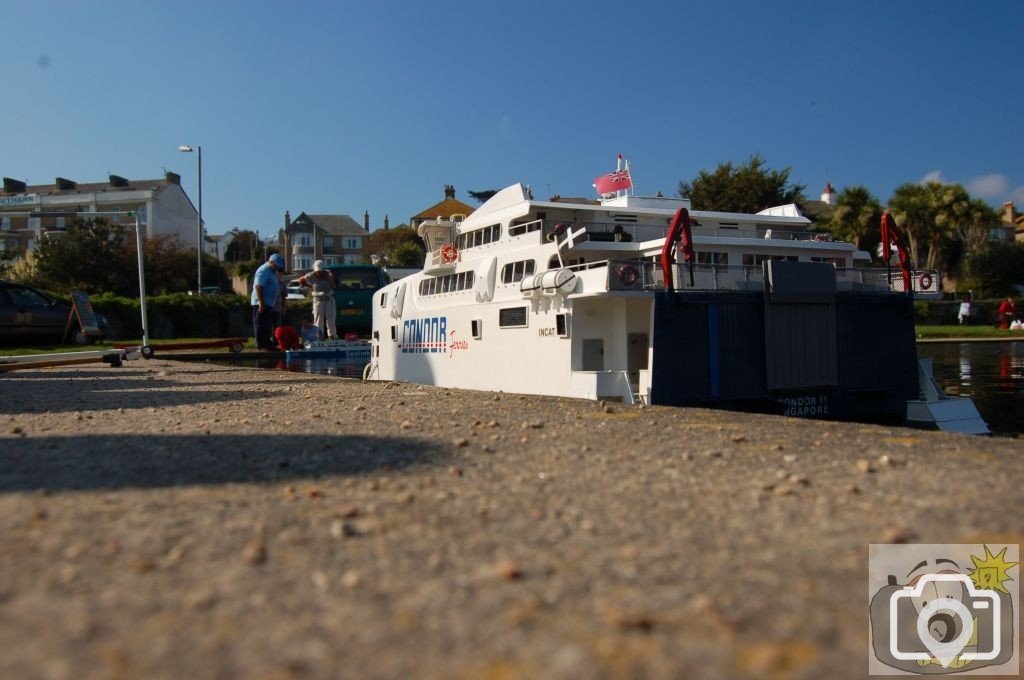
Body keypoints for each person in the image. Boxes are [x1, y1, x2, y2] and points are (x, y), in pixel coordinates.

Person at [294, 260, 337, 340]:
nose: (319, 273)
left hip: (328, 299)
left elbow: (333, 286)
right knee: (318, 320)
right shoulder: (310, 275)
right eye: (317, 271)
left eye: (320, 271)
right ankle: (319, 336)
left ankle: (332, 336)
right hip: (318, 299)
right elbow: (300, 280)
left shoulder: (328, 274)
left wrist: (329, 279)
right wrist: (310, 286)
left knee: (330, 319)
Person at [251, 253, 285, 350]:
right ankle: (261, 344)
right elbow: (259, 287)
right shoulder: (264, 270)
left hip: (269, 303)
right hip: (262, 303)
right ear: (271, 262)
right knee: (261, 324)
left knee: (267, 324)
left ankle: (266, 342)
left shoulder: (272, 271)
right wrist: (261, 302)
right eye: (276, 265)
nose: (277, 267)